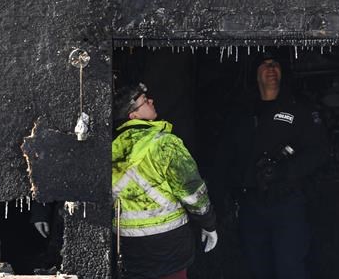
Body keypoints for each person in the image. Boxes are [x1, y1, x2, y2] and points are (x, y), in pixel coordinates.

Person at [220, 51, 328, 279]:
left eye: (275, 64)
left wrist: (284, 171)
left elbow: (318, 152)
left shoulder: (299, 109)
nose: (271, 69)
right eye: (265, 64)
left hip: (287, 202)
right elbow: (227, 157)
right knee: (258, 266)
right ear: (255, 72)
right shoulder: (241, 112)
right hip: (251, 204)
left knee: (290, 267)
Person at [112, 83, 217, 279]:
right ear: (132, 115)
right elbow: (193, 194)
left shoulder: (112, 148)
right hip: (170, 247)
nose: (151, 101)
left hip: (129, 248)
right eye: (144, 101)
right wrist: (208, 224)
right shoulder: (165, 143)